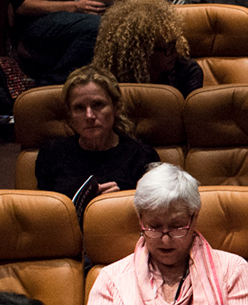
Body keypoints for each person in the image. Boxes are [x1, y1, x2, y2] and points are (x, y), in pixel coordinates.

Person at [83, 164, 248, 305]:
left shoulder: (232, 270)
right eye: (154, 227)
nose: (165, 240)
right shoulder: (111, 279)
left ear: (194, 217)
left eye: (177, 227)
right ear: (140, 218)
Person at [35, 66, 159, 204]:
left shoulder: (142, 156)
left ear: (116, 107)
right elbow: (43, 210)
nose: (89, 116)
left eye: (98, 105)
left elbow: (156, 209)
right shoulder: (52, 153)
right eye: (79, 108)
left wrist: (123, 202)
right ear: (70, 114)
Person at [93, 0, 203, 94]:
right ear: (141, 53)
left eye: (175, 43)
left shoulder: (188, 72)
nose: (176, 52)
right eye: (168, 48)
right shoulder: (108, 77)